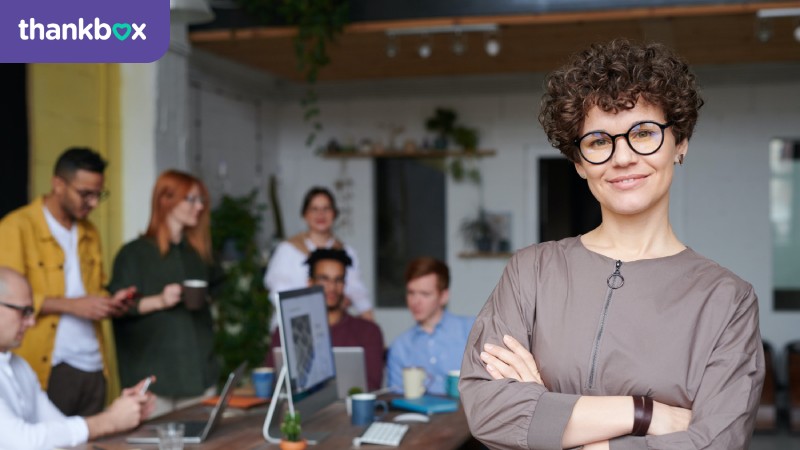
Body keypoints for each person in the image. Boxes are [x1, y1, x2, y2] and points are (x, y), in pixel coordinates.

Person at [460, 39, 765, 450]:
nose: (622, 158)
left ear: (681, 143)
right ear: (580, 163)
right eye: (600, 141)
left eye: (643, 133)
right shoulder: (531, 272)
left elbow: (716, 444)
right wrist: (646, 414)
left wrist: (547, 416)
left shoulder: (727, 300)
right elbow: (488, 410)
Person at [0, 147, 135, 416]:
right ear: (58, 185)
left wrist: (110, 303)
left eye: (99, 194)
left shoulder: (90, 232)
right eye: (86, 194)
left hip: (94, 364)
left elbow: (93, 290)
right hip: (49, 365)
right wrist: (74, 306)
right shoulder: (16, 227)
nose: (94, 203)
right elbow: (7, 299)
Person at [0, 266, 154, 450]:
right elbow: (23, 442)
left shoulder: (19, 367)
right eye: (23, 311)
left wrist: (122, 412)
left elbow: (61, 429)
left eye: (31, 311)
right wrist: (110, 421)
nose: (32, 322)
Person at [108, 170, 219, 417]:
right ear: (165, 200)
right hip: (155, 380)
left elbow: (218, 288)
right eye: (191, 199)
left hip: (199, 373)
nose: (199, 207)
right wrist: (160, 300)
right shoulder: (134, 253)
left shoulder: (199, 254)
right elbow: (117, 307)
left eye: (201, 200)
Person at [266, 249, 385, 391]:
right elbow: (270, 384)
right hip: (300, 411)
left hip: (349, 410)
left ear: (344, 284)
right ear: (310, 283)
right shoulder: (285, 331)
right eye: (324, 279)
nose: (332, 288)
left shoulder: (368, 331)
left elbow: (372, 386)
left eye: (338, 280)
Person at [264, 186, 373, 327]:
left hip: (334, 327)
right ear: (305, 215)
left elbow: (358, 294)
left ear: (334, 213)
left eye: (326, 209)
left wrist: (371, 325)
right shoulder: (288, 250)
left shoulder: (346, 252)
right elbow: (278, 293)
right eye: (314, 209)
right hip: (292, 325)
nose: (320, 215)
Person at [387, 257, 474, 396]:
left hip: (468, 415)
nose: (415, 301)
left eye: (425, 294)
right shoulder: (400, 346)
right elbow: (396, 399)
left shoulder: (471, 330)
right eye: (411, 293)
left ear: (443, 296)